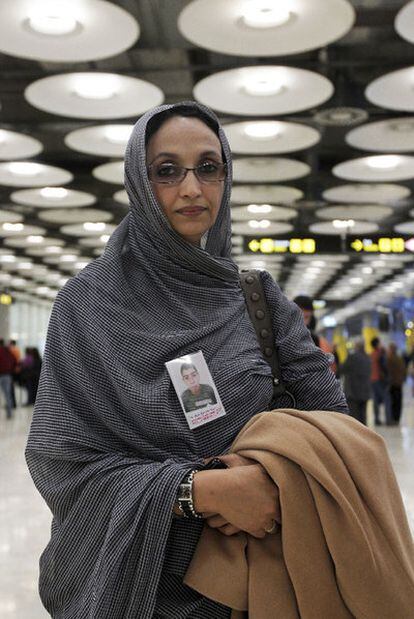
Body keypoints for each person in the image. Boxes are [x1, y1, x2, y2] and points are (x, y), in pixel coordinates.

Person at [25, 101, 348, 618]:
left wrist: (268, 479)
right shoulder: (89, 305)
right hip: (141, 590)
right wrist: (201, 491)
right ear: (138, 181)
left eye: (208, 167)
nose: (192, 189)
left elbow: (336, 429)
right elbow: (61, 459)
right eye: (167, 171)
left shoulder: (257, 299)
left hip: (260, 583)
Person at [340, 340, 371, 424]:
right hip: (365, 391)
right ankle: (364, 434)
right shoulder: (367, 357)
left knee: (354, 418)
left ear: (356, 347)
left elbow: (342, 369)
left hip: (353, 392)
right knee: (363, 416)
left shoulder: (352, 357)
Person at [370, 336, 392, 425]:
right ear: (377, 344)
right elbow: (385, 366)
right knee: (387, 399)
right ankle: (388, 420)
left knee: (375, 400)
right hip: (380, 379)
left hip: (372, 379)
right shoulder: (380, 353)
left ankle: (377, 420)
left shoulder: (371, 354)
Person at [386, 342, 407, 425]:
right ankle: (397, 418)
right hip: (399, 383)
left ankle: (393, 418)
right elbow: (404, 370)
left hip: (392, 383)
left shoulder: (389, 359)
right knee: (398, 401)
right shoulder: (399, 359)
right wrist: (402, 379)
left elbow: (388, 371)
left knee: (393, 402)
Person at [0, 338, 16, 419]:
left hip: (2, 374)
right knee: (8, 394)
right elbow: (14, 360)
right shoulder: (7, 351)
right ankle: (9, 413)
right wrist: (11, 370)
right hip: (7, 375)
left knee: (7, 394)